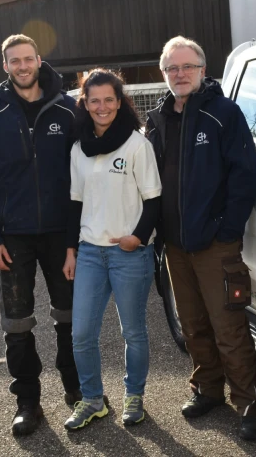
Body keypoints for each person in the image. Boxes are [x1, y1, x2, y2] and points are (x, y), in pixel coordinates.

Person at [146, 37, 256, 440]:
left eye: (187, 67)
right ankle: (207, 390)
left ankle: (248, 404)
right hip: (175, 245)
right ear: (164, 74)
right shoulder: (159, 120)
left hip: (215, 244)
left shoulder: (224, 114)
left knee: (228, 327)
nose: (179, 75)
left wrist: (228, 229)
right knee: (193, 324)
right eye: (171, 69)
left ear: (202, 68)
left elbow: (245, 174)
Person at [0, 34, 81, 436]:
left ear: (38, 60)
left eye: (28, 59)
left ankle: (76, 389)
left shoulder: (69, 110)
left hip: (60, 234)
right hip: (11, 236)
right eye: (14, 60)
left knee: (70, 316)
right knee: (16, 323)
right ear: (5, 66)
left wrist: (74, 241)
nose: (22, 66)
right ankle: (28, 402)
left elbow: (82, 179)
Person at [62, 68, 162, 431]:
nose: (101, 106)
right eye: (94, 100)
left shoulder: (137, 145)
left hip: (128, 254)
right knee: (81, 334)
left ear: (119, 102)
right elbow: (74, 204)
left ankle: (133, 397)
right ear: (85, 104)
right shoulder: (78, 150)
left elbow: (153, 200)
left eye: (108, 99)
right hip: (90, 252)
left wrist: (137, 237)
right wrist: (71, 250)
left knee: (132, 332)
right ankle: (92, 400)